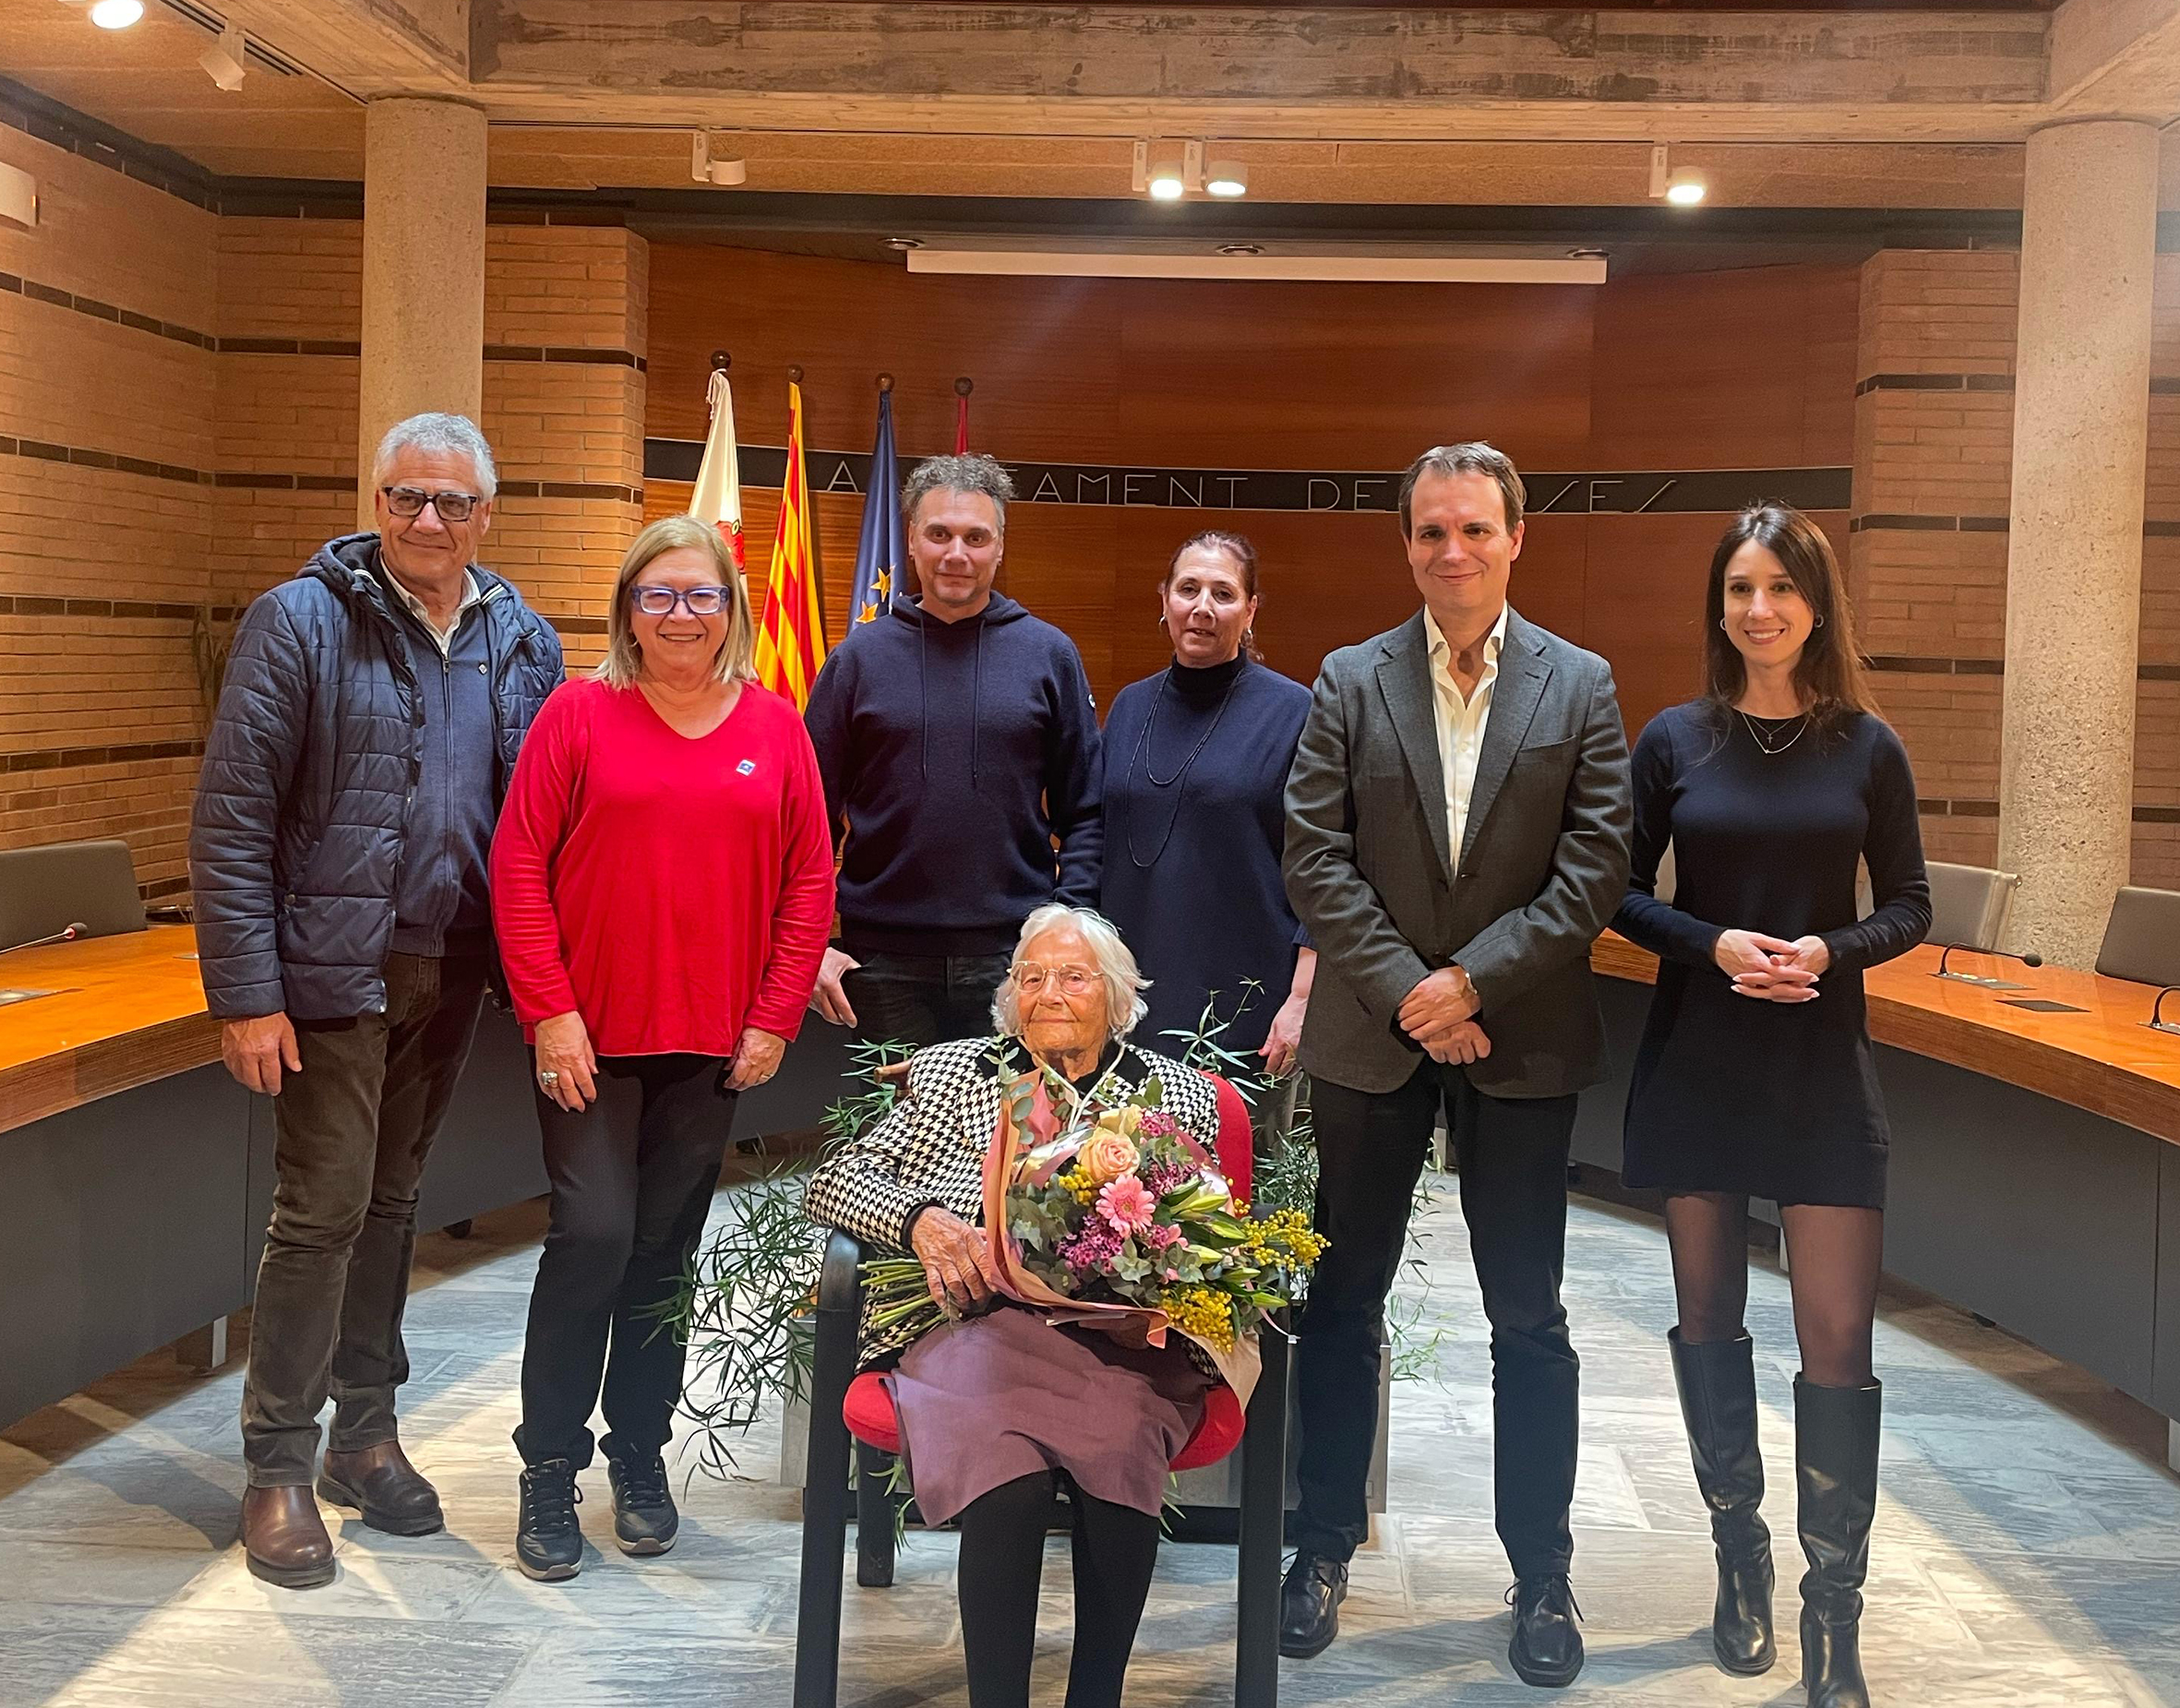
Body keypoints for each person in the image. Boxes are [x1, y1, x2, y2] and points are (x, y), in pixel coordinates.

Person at [189, 412, 565, 1589]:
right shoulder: (297, 620)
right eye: (407, 497)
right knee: (322, 1212)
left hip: (452, 967)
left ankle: (363, 1434)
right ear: (377, 500)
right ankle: (276, 1464)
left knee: (395, 1201)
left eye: (453, 502)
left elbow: (549, 821)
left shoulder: (523, 639)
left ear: (487, 514)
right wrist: (247, 992)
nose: (428, 521)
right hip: (328, 974)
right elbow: (233, 816)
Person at [1280, 441, 1632, 1684]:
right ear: (1407, 543)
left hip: (1520, 1036)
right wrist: (1413, 993)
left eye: (1474, 528)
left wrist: (1471, 982)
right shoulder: (1346, 678)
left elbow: (1594, 870)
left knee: (1527, 1317)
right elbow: (1314, 858)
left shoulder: (1581, 684)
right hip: (1371, 1041)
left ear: (1514, 536)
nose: (1452, 551)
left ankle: (1540, 1572)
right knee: (1341, 1301)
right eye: (1430, 530)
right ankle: (1320, 1540)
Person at [1613, 504, 1929, 1708]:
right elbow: (1620, 895)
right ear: (1719, 604)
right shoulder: (1673, 739)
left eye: (1780, 587)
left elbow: (1906, 901)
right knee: (1706, 1320)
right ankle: (1737, 1556)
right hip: (1699, 1051)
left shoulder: (1868, 746)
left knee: (1836, 1347)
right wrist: (1715, 941)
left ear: (1814, 603)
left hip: (1818, 1068)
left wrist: (1824, 948)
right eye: (1739, 587)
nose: (1758, 608)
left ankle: (1829, 1619)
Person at [489, 514, 834, 1582]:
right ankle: (550, 1465)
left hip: (711, 1046)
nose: (680, 615)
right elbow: (517, 866)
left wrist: (776, 1014)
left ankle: (639, 1457)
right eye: (659, 595)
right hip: (586, 1039)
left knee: (662, 1256)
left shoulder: (775, 727)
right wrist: (549, 1010)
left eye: (701, 596)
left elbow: (809, 881)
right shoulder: (577, 715)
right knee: (592, 1235)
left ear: (731, 609)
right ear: (627, 611)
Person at [804, 904, 1221, 1708]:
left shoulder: (1172, 1090)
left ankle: (1094, 1696)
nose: (1050, 993)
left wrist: (1152, 1283)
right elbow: (835, 1178)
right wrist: (920, 1220)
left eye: (1073, 975)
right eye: (1031, 977)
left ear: (1120, 994)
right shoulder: (956, 1072)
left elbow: (1204, 1223)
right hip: (972, 1326)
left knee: (1121, 1454)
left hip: (1113, 1338)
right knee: (1008, 1484)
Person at [803, 454, 1104, 1049]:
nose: (956, 553)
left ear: (999, 547)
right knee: (890, 1141)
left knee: (1016, 1139)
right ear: (912, 541)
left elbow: (1087, 810)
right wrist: (815, 944)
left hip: (1015, 958)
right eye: (938, 534)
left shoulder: (1049, 655)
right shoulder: (858, 660)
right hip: (879, 962)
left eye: (976, 537)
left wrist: (1065, 924)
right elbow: (805, 819)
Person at [1098, 531, 1314, 1080]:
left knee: (1234, 1164)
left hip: (1242, 1002)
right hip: (1129, 994)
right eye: (1188, 589)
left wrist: (1303, 996)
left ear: (1250, 610)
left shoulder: (1295, 711)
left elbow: (1326, 862)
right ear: (1164, 600)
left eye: (1223, 593)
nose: (1202, 607)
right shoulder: (1129, 706)